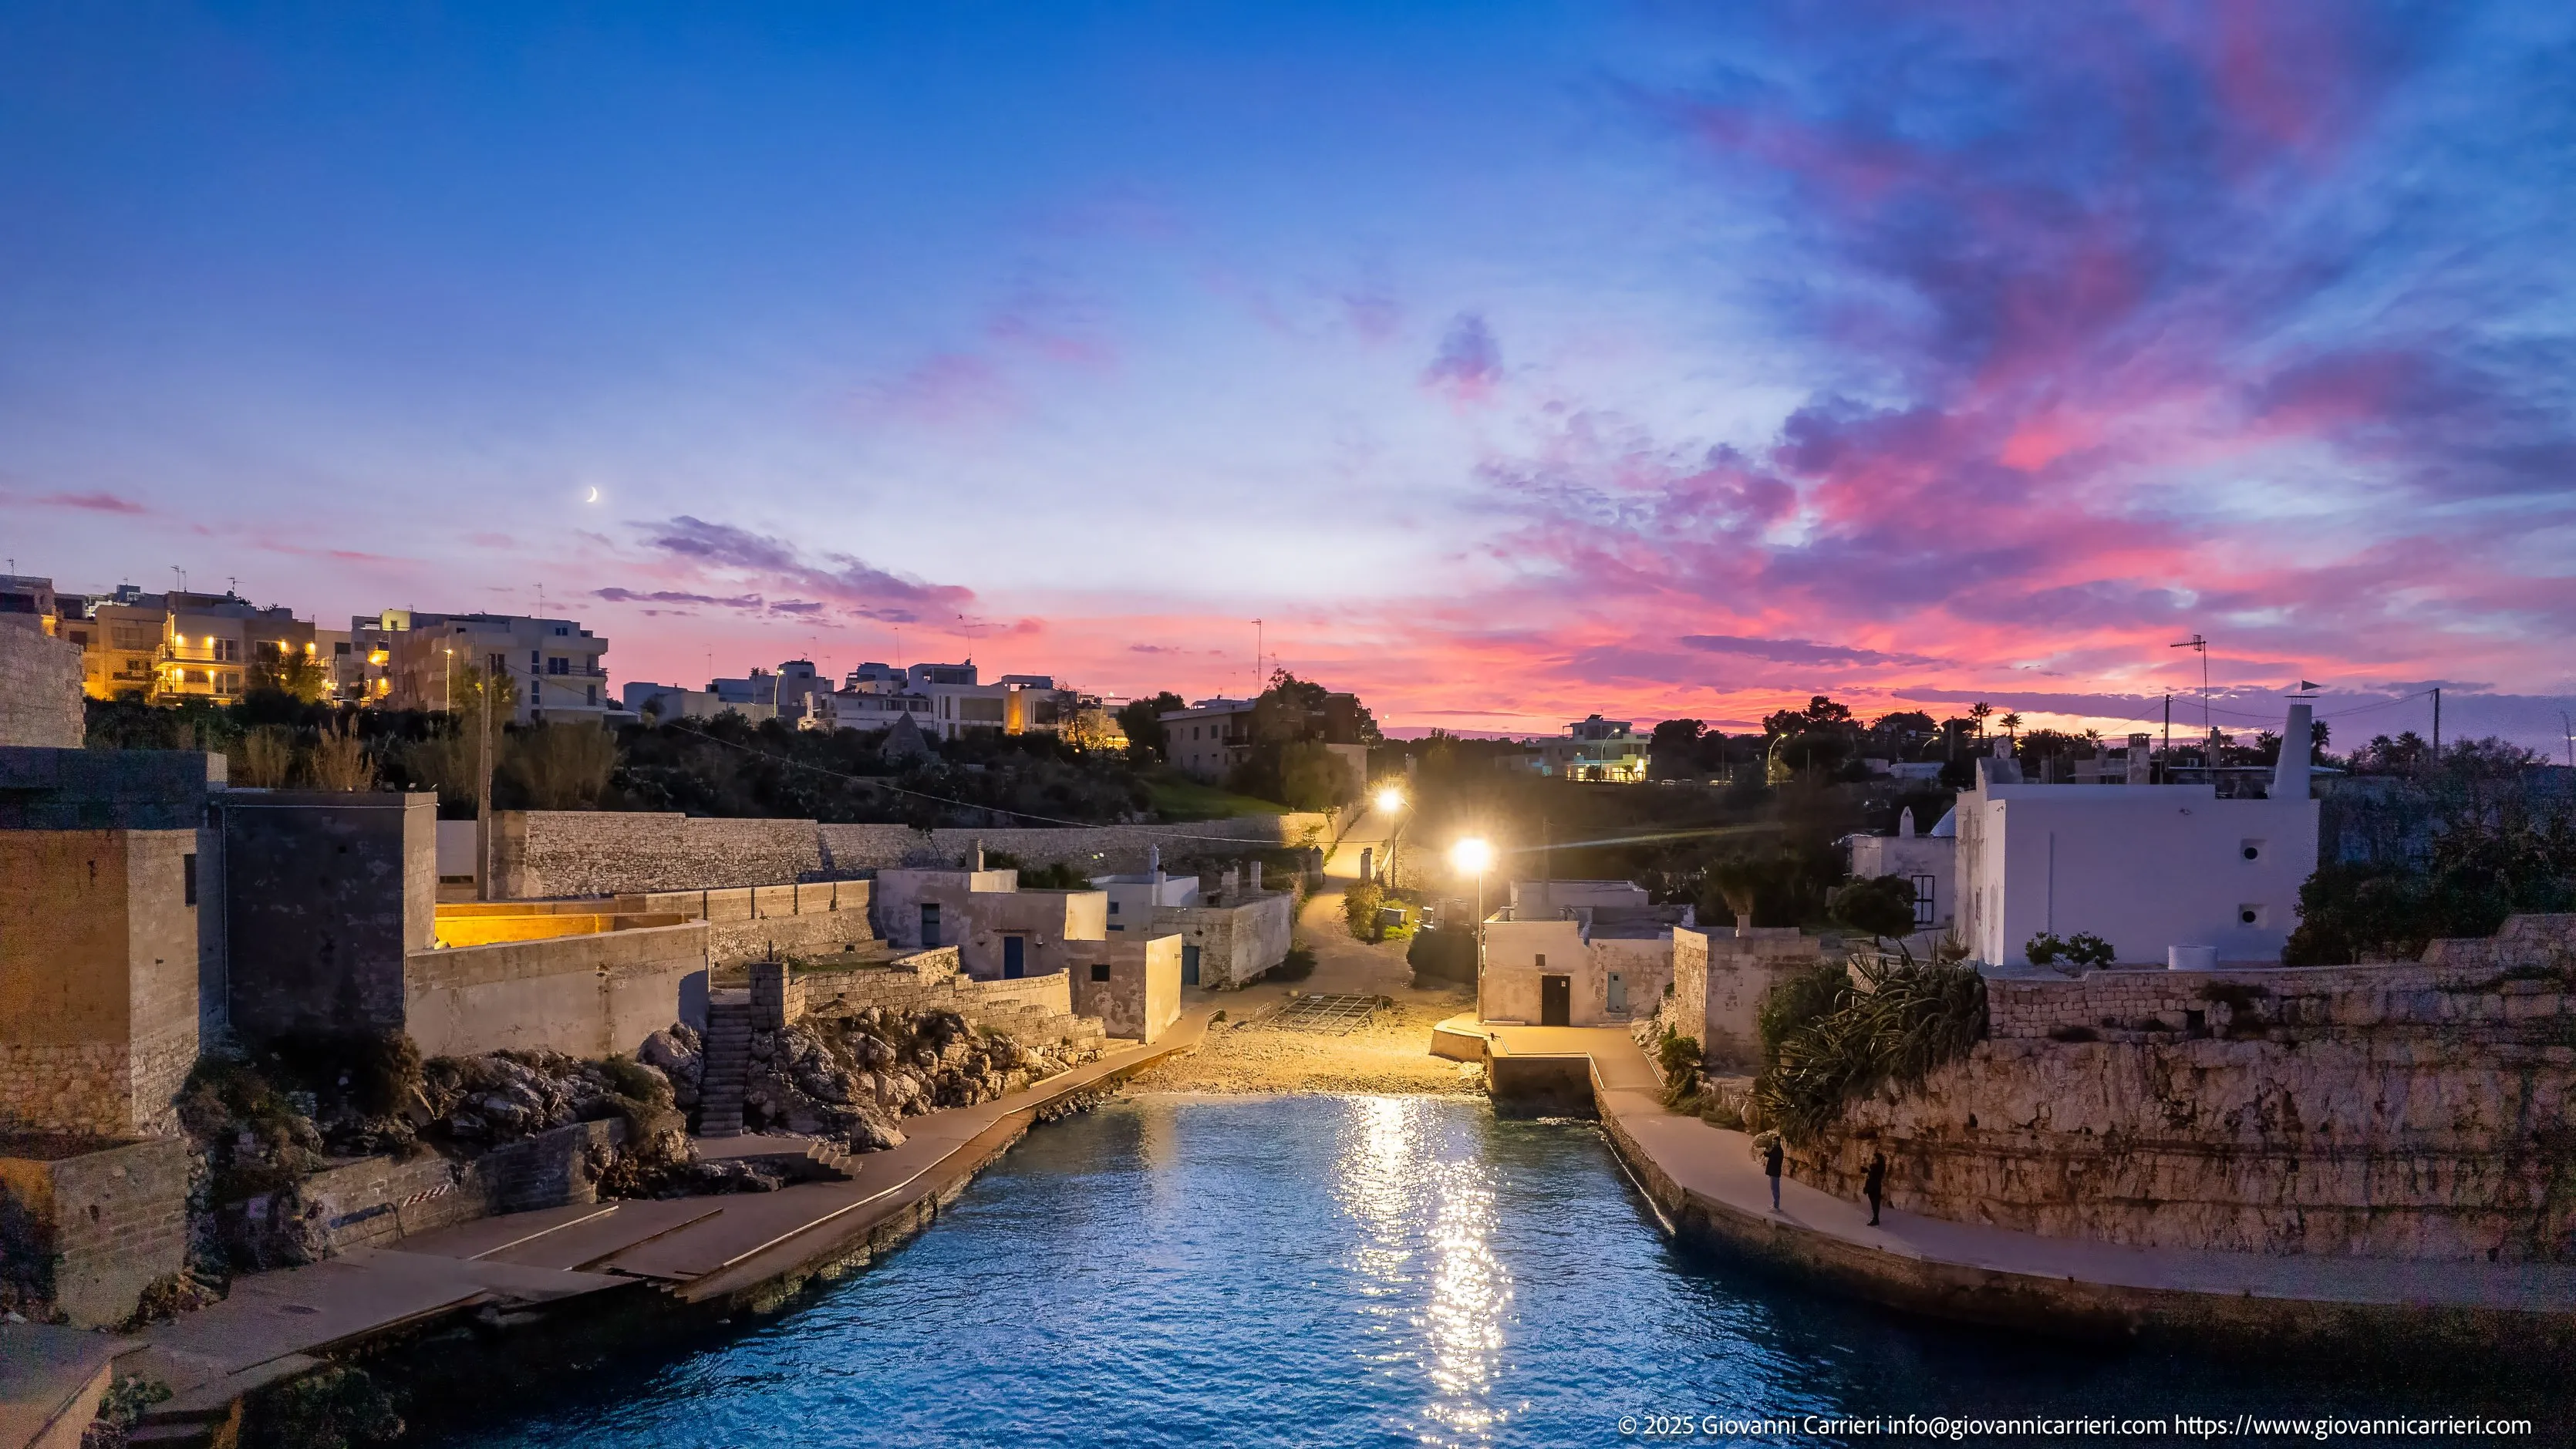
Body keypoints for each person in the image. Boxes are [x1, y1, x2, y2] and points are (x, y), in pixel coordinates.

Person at [1863, 1151, 1886, 1226]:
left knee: (1875, 1204)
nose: (1873, 1159)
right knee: (1874, 1204)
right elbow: (1865, 1171)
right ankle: (1875, 1218)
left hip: (1874, 1188)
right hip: (1874, 1187)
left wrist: (1867, 1188)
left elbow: (1872, 1179)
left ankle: (1875, 1219)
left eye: (1875, 1158)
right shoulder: (1876, 1167)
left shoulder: (1876, 1168)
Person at [1764, 1137, 1785, 1211]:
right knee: (1773, 1188)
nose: (1773, 1143)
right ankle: (1775, 1205)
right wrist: (1767, 1149)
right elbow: (1766, 1154)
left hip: (1775, 1172)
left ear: (1778, 1142)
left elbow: (1772, 1156)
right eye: (1773, 1141)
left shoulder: (1778, 1150)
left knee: (1775, 1189)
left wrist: (1770, 1151)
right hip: (1773, 1172)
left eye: (1775, 1142)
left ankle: (1776, 1207)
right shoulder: (1775, 1149)